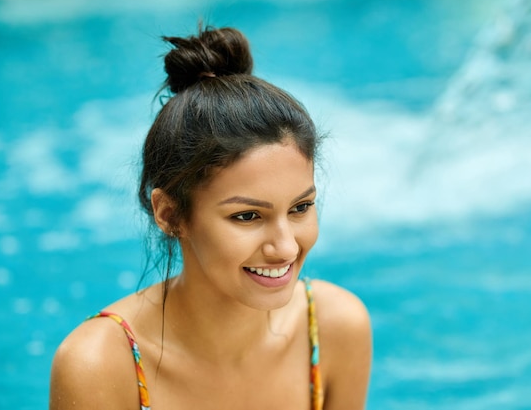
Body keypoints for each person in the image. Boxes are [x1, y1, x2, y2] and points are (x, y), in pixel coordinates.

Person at [49, 25, 372, 410]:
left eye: (300, 207)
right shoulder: (99, 365)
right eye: (248, 215)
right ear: (170, 214)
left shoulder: (335, 327)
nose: (285, 246)